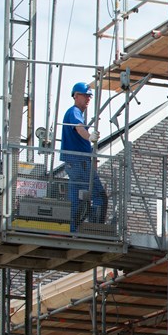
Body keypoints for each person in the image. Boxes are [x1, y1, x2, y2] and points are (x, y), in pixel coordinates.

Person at [61, 82, 107, 232]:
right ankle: (95, 228)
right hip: (78, 162)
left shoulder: (76, 113)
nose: (88, 99)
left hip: (74, 163)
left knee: (76, 199)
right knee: (99, 196)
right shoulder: (74, 111)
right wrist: (90, 137)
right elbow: (79, 128)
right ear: (75, 95)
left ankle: (72, 229)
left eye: (89, 96)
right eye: (85, 95)